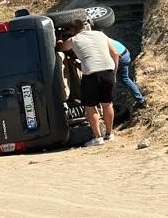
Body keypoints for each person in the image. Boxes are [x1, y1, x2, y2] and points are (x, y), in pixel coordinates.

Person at [59, 19, 120, 147]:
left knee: (90, 106)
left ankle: (97, 138)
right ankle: (110, 134)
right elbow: (115, 53)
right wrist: (114, 73)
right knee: (107, 104)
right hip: (108, 71)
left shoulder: (74, 40)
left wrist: (59, 38)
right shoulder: (101, 34)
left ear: (73, 31)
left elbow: (61, 48)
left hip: (91, 74)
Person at [109, 37, 146, 108]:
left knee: (119, 79)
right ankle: (140, 100)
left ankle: (109, 101)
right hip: (125, 53)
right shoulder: (101, 36)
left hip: (120, 57)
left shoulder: (100, 43)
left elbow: (115, 55)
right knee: (124, 78)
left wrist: (114, 72)